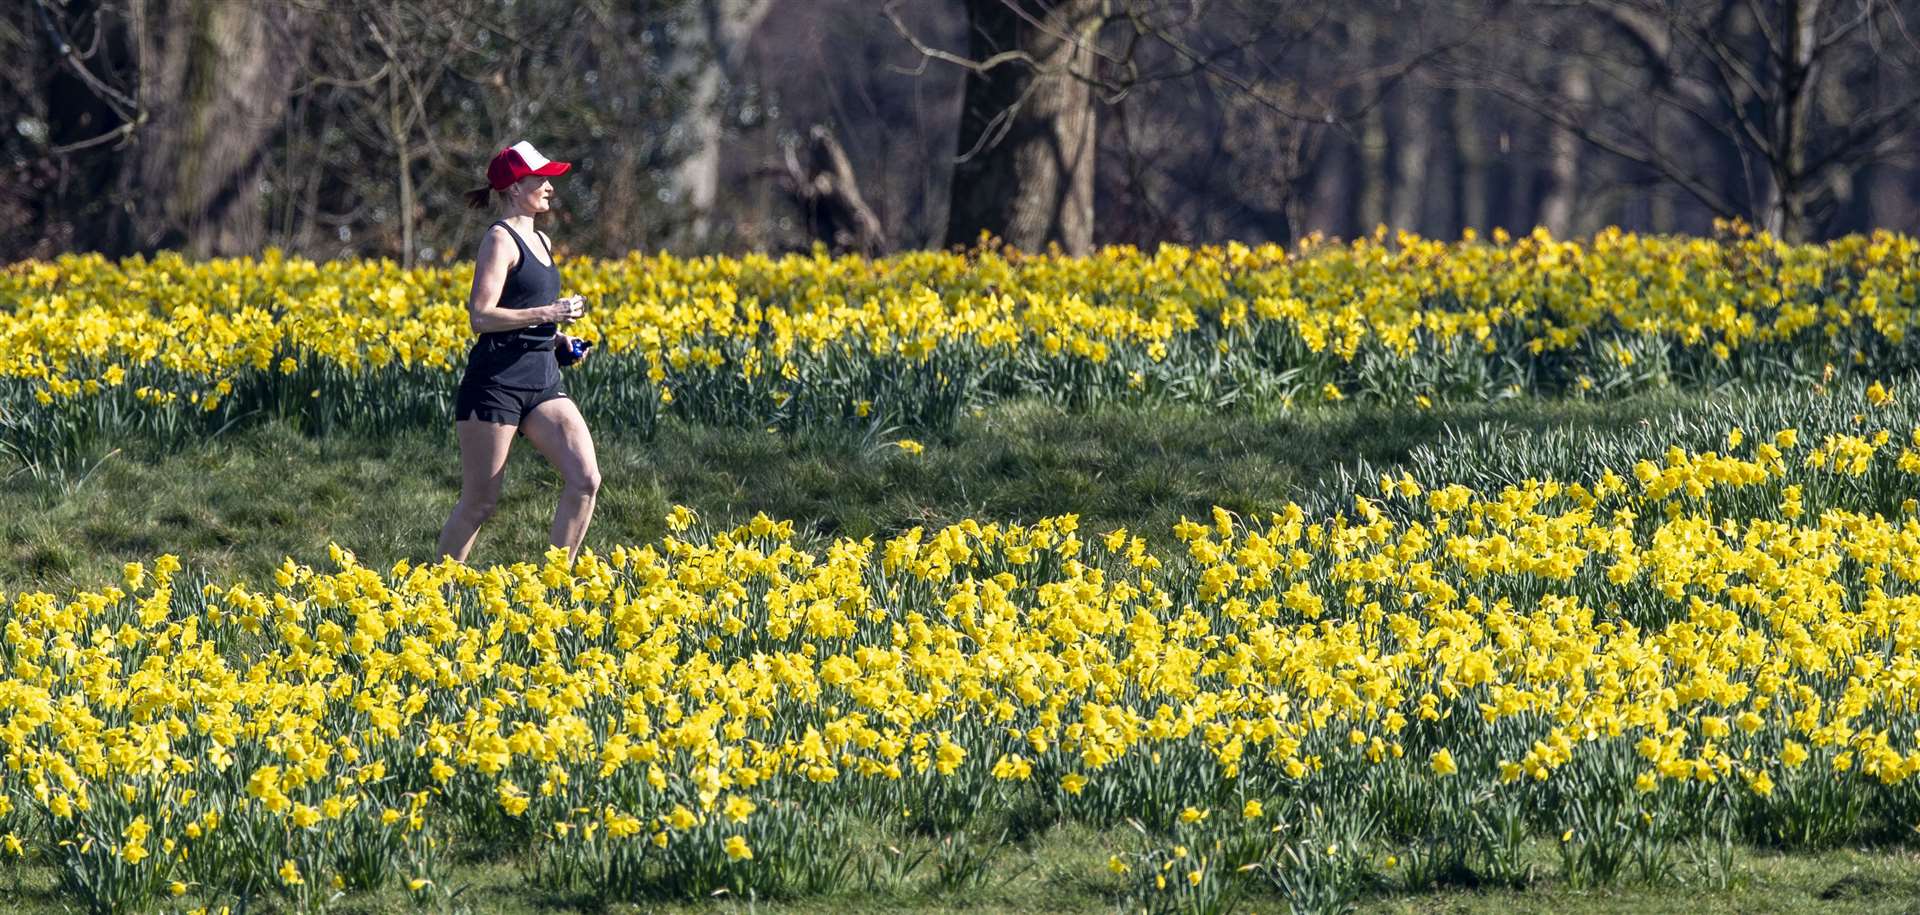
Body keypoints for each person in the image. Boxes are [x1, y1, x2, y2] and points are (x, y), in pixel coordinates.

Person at [436, 141, 602, 567]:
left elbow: (526, 318)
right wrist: (550, 312)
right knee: (480, 502)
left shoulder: (542, 239)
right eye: (540, 179)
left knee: (586, 479)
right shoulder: (499, 240)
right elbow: (481, 316)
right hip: (495, 386)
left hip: (543, 382)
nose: (549, 187)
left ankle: (551, 587)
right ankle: (434, 592)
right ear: (513, 187)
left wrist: (556, 338)